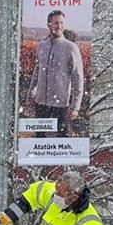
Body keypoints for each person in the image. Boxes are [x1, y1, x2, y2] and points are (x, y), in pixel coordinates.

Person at [25, 10, 84, 138]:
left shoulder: (71, 47)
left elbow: (78, 78)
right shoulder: (42, 46)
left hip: (60, 105)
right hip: (40, 104)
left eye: (62, 23)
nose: (59, 26)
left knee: (60, 143)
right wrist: (30, 96)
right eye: (56, 23)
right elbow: (36, 72)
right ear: (49, 24)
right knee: (40, 140)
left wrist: (75, 106)